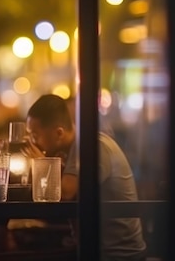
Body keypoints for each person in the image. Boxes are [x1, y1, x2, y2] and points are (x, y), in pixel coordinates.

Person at [25, 94, 147, 261]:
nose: (32, 141)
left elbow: (64, 194)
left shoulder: (91, 146)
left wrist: (41, 163)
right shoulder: (74, 148)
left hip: (118, 255)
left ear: (59, 133)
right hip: (92, 249)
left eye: (35, 135)